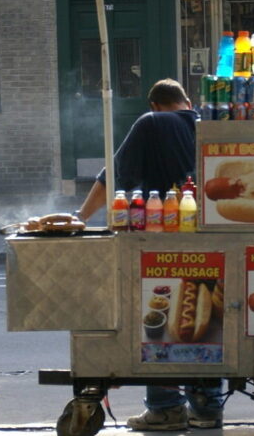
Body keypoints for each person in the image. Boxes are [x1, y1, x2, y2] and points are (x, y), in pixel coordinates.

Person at [75, 78, 225, 431]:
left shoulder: (152, 123)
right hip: (216, 241)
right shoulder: (212, 121)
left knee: (163, 320)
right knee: (206, 321)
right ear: (186, 100)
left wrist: (80, 217)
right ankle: (206, 409)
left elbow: (113, 176)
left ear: (156, 105)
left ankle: (166, 409)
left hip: (167, 245)